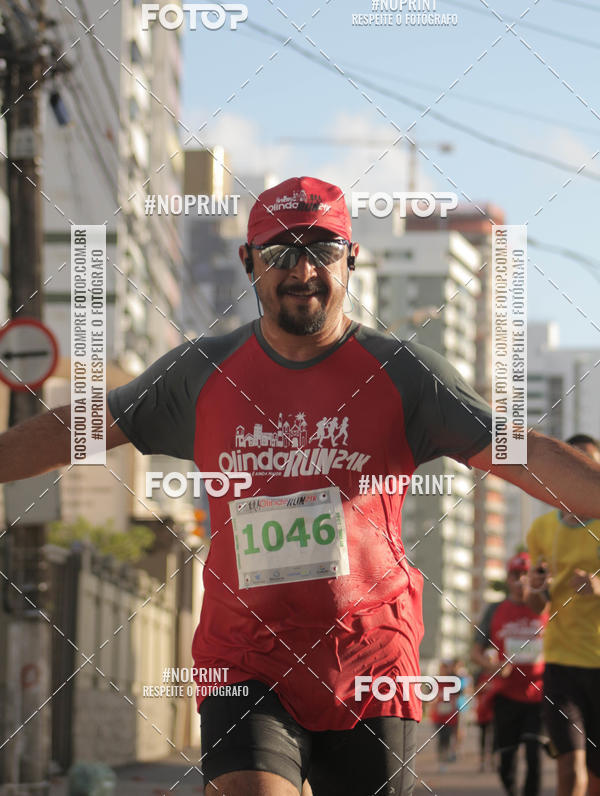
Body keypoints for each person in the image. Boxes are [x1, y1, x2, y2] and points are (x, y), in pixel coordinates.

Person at [1, 177, 599, 796]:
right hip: (245, 656)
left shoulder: (405, 375)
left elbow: (522, 453)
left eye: (322, 250)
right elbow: (81, 425)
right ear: (249, 262)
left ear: (351, 259)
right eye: (280, 252)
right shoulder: (200, 374)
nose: (302, 269)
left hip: (370, 660)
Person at [526, 434, 600, 796]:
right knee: (570, 765)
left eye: (590, 464)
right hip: (560, 663)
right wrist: (536, 587)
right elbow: (535, 604)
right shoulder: (541, 530)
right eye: (574, 462)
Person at [472, 552, 548, 796]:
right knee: (507, 762)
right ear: (508, 578)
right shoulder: (495, 610)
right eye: (516, 574)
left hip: (538, 696)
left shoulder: (545, 608)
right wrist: (493, 666)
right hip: (505, 696)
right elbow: (475, 652)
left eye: (526, 574)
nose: (521, 580)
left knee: (534, 754)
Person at [429, 660, 459, 771]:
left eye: (445, 668)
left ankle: (445, 757)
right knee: (440, 738)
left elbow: (456, 697)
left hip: (450, 716)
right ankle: (441, 759)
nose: (444, 670)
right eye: (442, 668)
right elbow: (429, 698)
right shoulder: (435, 682)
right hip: (438, 716)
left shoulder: (453, 682)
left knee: (447, 737)